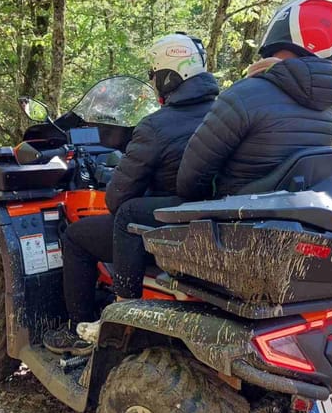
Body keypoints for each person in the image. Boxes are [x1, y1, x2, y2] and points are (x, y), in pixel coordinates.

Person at [43, 33, 219, 355]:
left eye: (154, 76)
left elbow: (115, 200)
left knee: (77, 238)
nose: (153, 83)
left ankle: (78, 329)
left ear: (167, 77)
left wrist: (114, 177)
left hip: (164, 231)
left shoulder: (156, 126)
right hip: (212, 227)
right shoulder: (225, 115)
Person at [177, 0, 332, 200]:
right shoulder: (329, 114)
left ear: (278, 30)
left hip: (231, 217)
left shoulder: (245, 94)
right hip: (292, 217)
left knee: (130, 211)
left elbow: (190, 179)